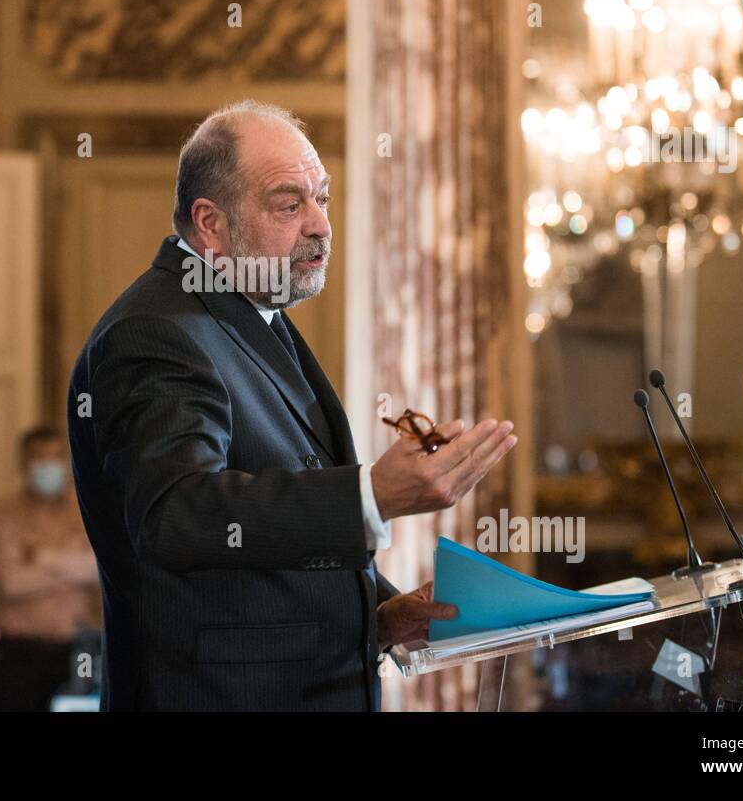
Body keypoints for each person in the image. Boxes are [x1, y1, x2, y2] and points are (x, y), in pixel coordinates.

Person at [67, 100, 517, 710]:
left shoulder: (244, 314)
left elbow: (260, 555)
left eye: (322, 199)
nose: (321, 226)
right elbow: (176, 514)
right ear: (212, 224)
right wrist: (370, 495)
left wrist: (379, 614)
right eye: (289, 204)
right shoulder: (157, 332)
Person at [0, 427, 102, 710]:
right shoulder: (4, 517)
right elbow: (13, 584)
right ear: (23, 463)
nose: (48, 465)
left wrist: (41, 557)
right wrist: (74, 562)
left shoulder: (87, 509)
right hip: (21, 652)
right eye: (39, 458)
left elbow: (99, 569)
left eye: (55, 457)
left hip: (81, 650)